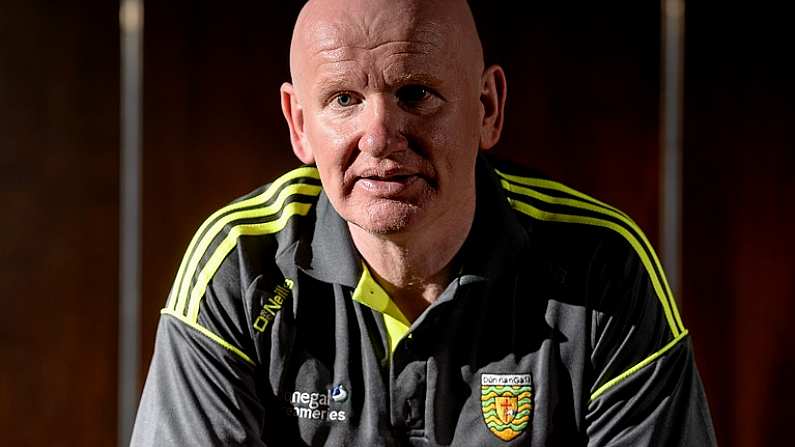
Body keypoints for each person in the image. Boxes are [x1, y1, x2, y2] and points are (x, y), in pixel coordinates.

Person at [131, 0, 716, 445]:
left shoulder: (601, 265)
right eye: (343, 100)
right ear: (299, 123)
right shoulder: (239, 265)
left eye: (415, 93)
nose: (381, 137)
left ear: (487, 108)